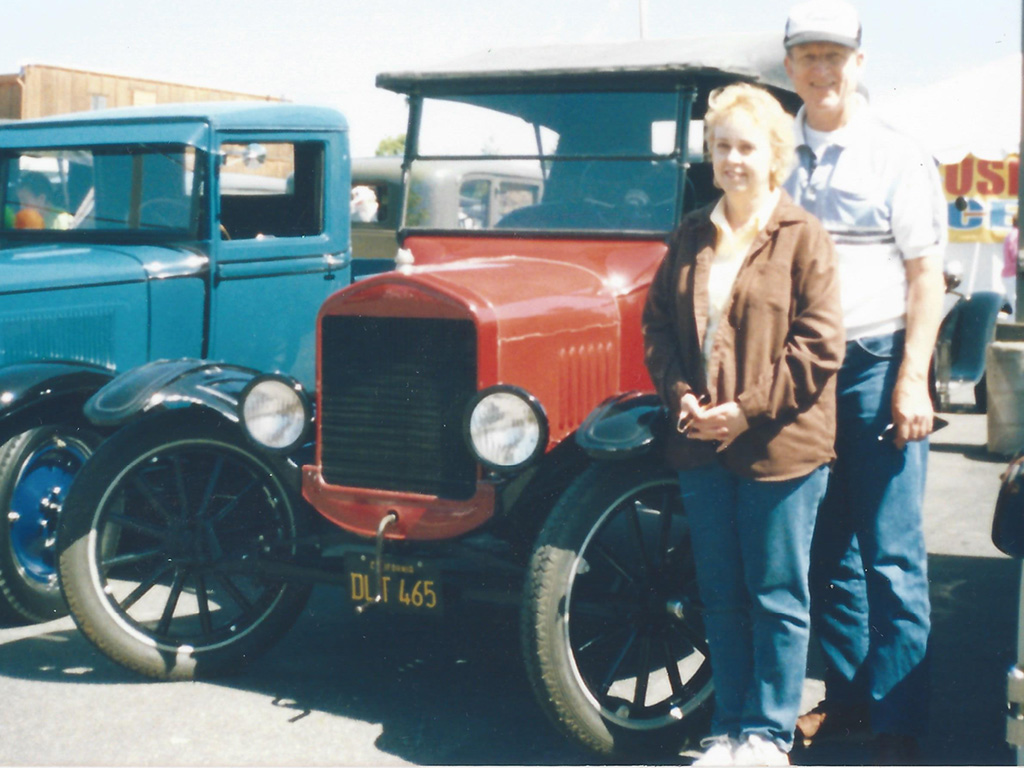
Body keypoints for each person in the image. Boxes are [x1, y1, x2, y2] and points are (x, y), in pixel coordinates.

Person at [643, 83, 844, 766]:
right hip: (701, 445)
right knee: (722, 596)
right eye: (722, 145)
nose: (733, 159)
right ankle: (728, 730)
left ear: (774, 155)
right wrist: (681, 399)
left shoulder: (803, 237)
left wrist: (745, 411)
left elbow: (819, 346)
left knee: (777, 597)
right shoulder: (691, 233)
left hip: (779, 449)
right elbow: (658, 326)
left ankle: (768, 735)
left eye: (747, 147)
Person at [780, 2, 947, 764]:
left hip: (877, 366)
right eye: (808, 56)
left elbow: (925, 279)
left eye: (835, 56)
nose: (822, 70)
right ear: (790, 67)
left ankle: (898, 724)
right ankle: (849, 701)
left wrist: (912, 381)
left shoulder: (896, 156)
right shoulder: (773, 153)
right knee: (821, 552)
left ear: (860, 64)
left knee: (891, 554)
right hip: (798, 374)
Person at [1004, 216, 1018, 316]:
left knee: (1014, 305)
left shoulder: (1012, 234)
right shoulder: (1017, 235)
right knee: (1017, 306)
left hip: (1010, 275)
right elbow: (1016, 255)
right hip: (1014, 276)